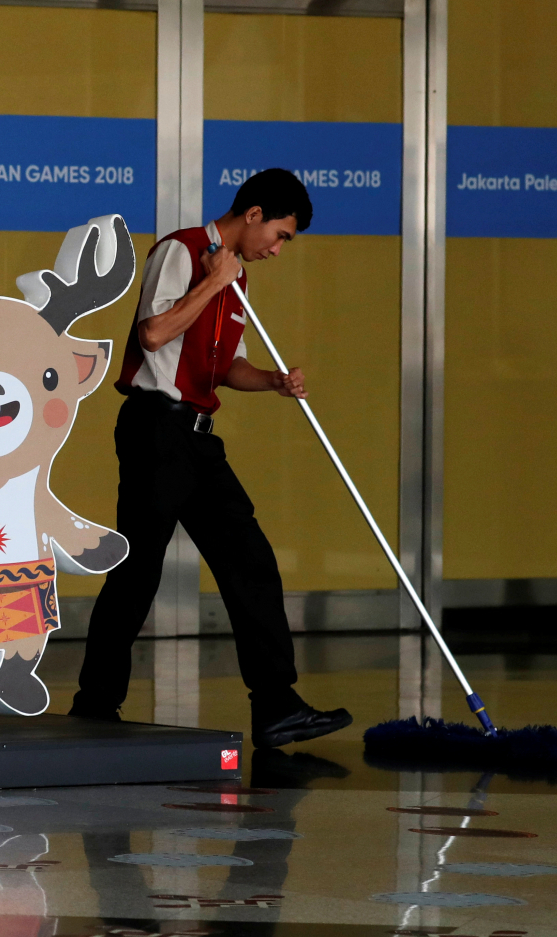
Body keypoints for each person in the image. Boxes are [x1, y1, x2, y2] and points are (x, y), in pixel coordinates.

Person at [69, 168, 352, 748]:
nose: (277, 248)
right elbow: (152, 334)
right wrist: (214, 279)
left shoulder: (237, 279)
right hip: (155, 428)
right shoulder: (183, 251)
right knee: (138, 570)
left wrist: (271, 381)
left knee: (250, 559)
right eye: (280, 235)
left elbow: (225, 367)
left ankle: (276, 705)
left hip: (197, 435)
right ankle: (95, 704)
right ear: (253, 214)